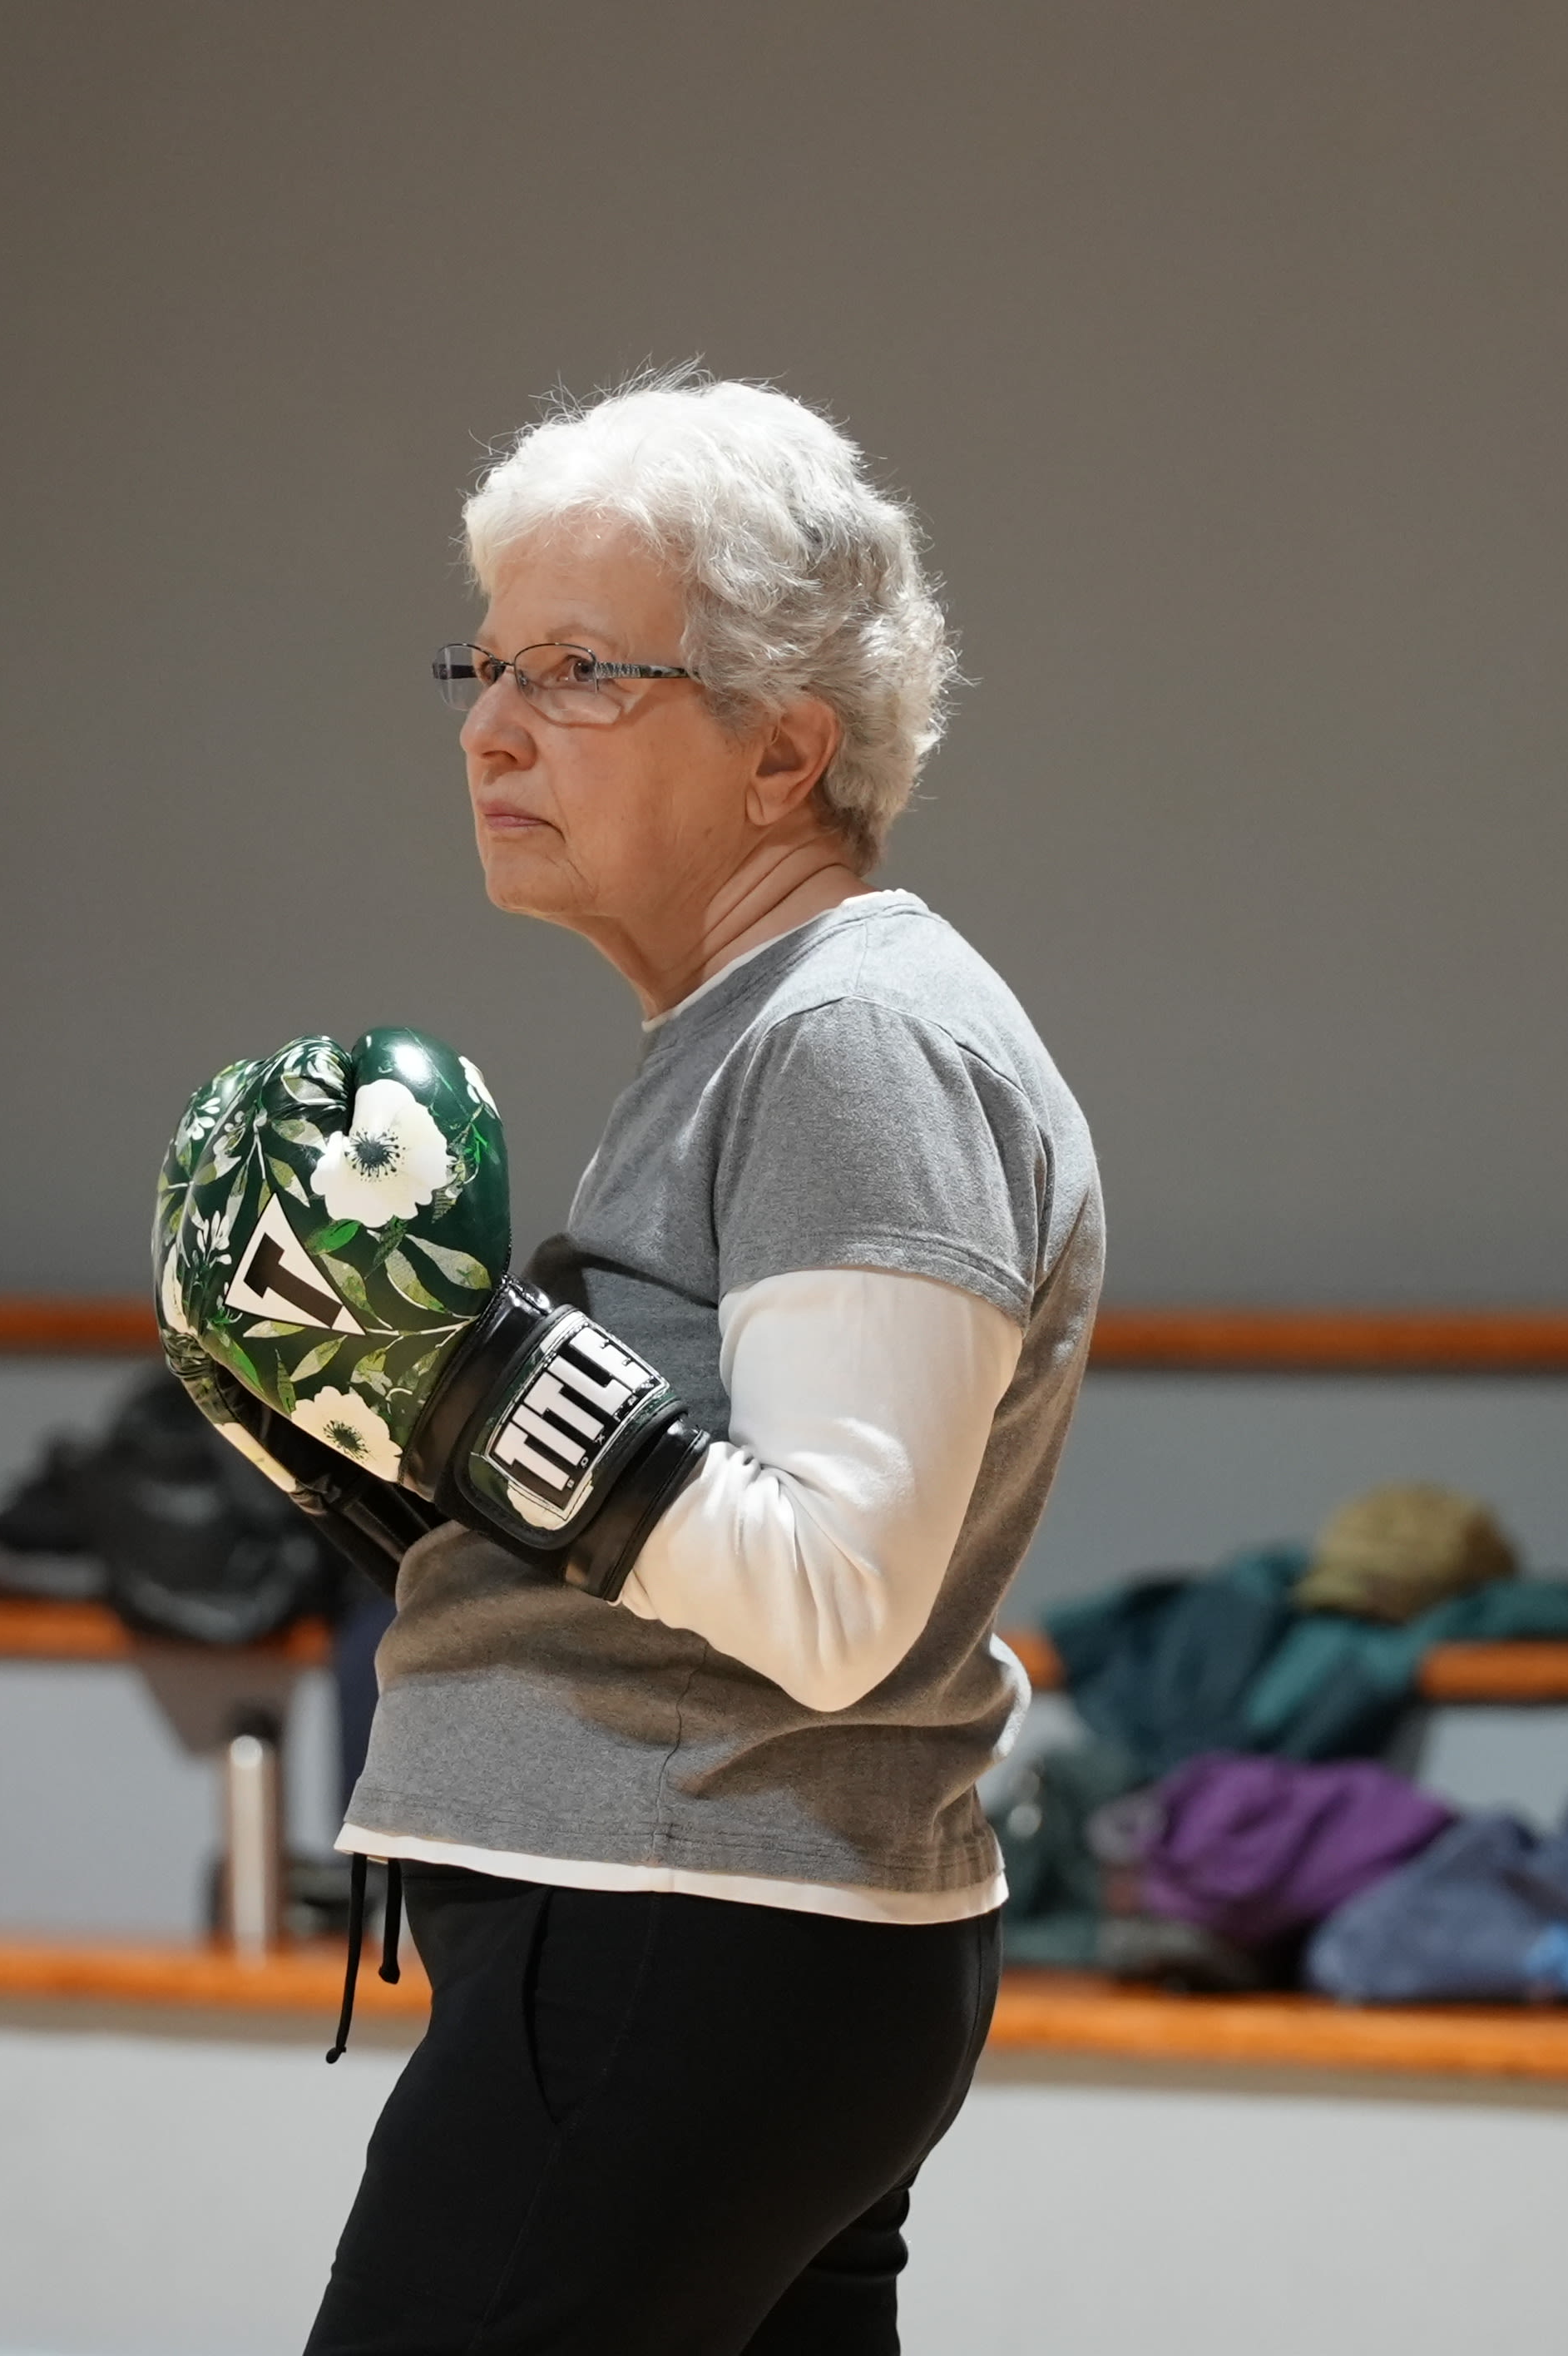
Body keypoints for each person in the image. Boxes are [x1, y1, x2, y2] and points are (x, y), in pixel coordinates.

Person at [285, 373, 1106, 2354]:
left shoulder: (853, 1040)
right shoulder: (764, 1032)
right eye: (480, 665)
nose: (487, 726)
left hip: (690, 1929)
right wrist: (397, 1443)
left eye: (574, 672)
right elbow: (675, 1505)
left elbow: (833, 1592)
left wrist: (470, 1378)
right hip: (716, 1938)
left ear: (782, 752)